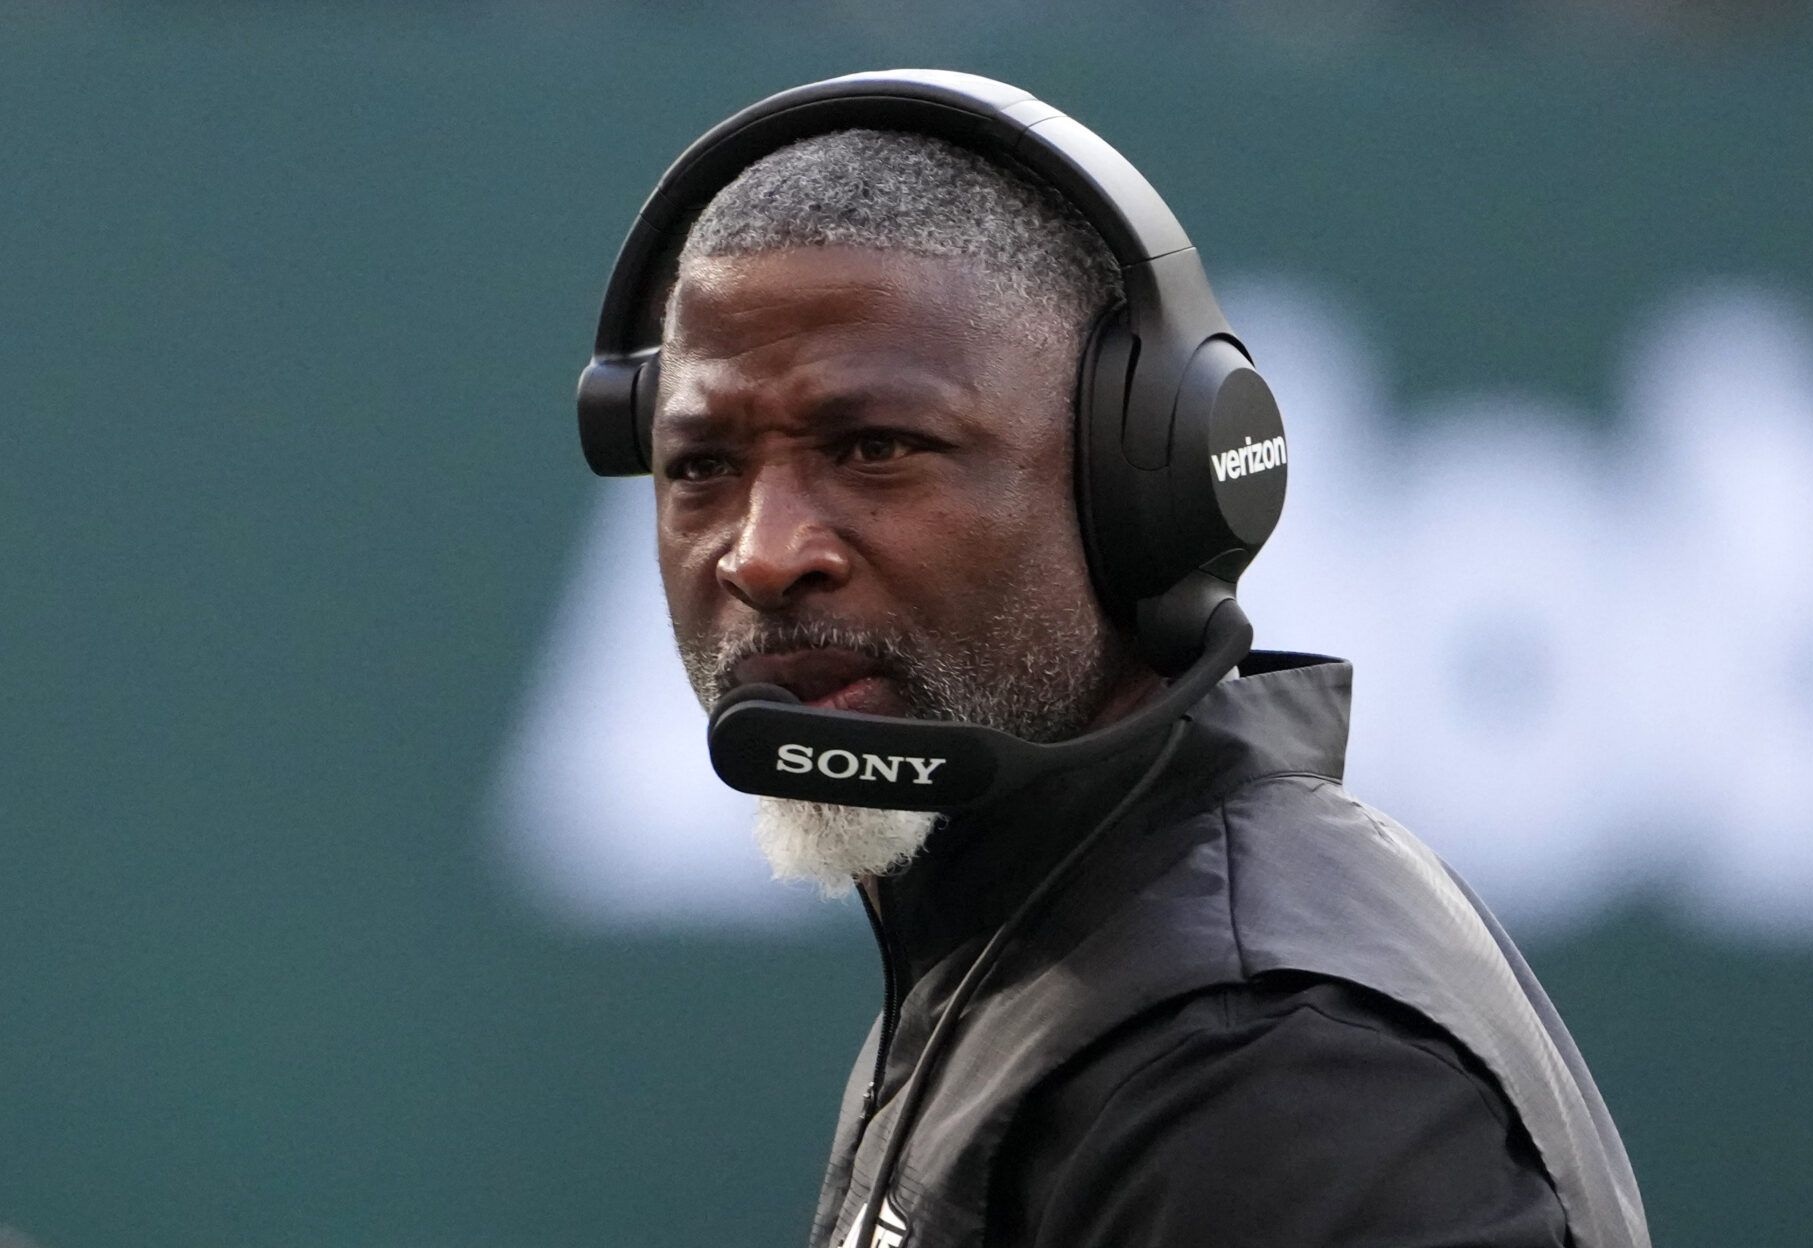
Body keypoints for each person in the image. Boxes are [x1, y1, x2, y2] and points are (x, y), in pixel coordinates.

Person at [585, 72, 1648, 1248]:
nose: (764, 552)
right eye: (699, 467)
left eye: (876, 447)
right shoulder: (1039, 959)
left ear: (1144, 483)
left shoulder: (1262, 1070)